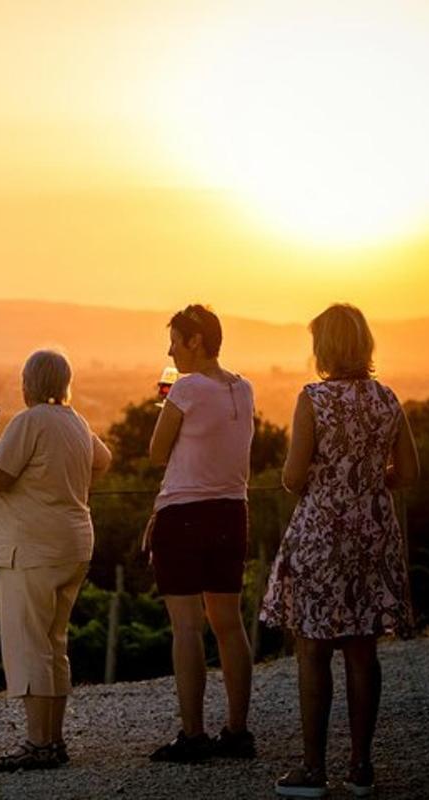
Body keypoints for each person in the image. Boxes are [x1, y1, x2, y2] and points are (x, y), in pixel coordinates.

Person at [261, 304, 418, 798]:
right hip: (373, 534)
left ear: (323, 348)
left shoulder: (314, 399)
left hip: (322, 537)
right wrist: (369, 484)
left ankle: (313, 769)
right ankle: (361, 766)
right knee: (362, 649)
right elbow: (409, 473)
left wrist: (324, 486)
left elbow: (291, 476)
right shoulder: (387, 399)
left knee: (312, 649)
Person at [0, 349, 112, 771]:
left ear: (30, 383)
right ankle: (53, 740)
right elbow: (102, 462)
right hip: (73, 543)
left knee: (29, 644)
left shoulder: (29, 421)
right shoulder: (76, 421)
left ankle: (38, 744)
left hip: (31, 547)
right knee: (54, 644)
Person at [145, 304, 256, 763]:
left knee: (186, 627)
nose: (170, 348)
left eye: (175, 339)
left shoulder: (186, 387)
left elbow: (156, 453)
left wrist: (167, 404)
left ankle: (193, 735)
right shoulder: (244, 388)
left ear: (195, 340)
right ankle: (238, 731)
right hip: (232, 513)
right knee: (229, 626)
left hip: (184, 515)